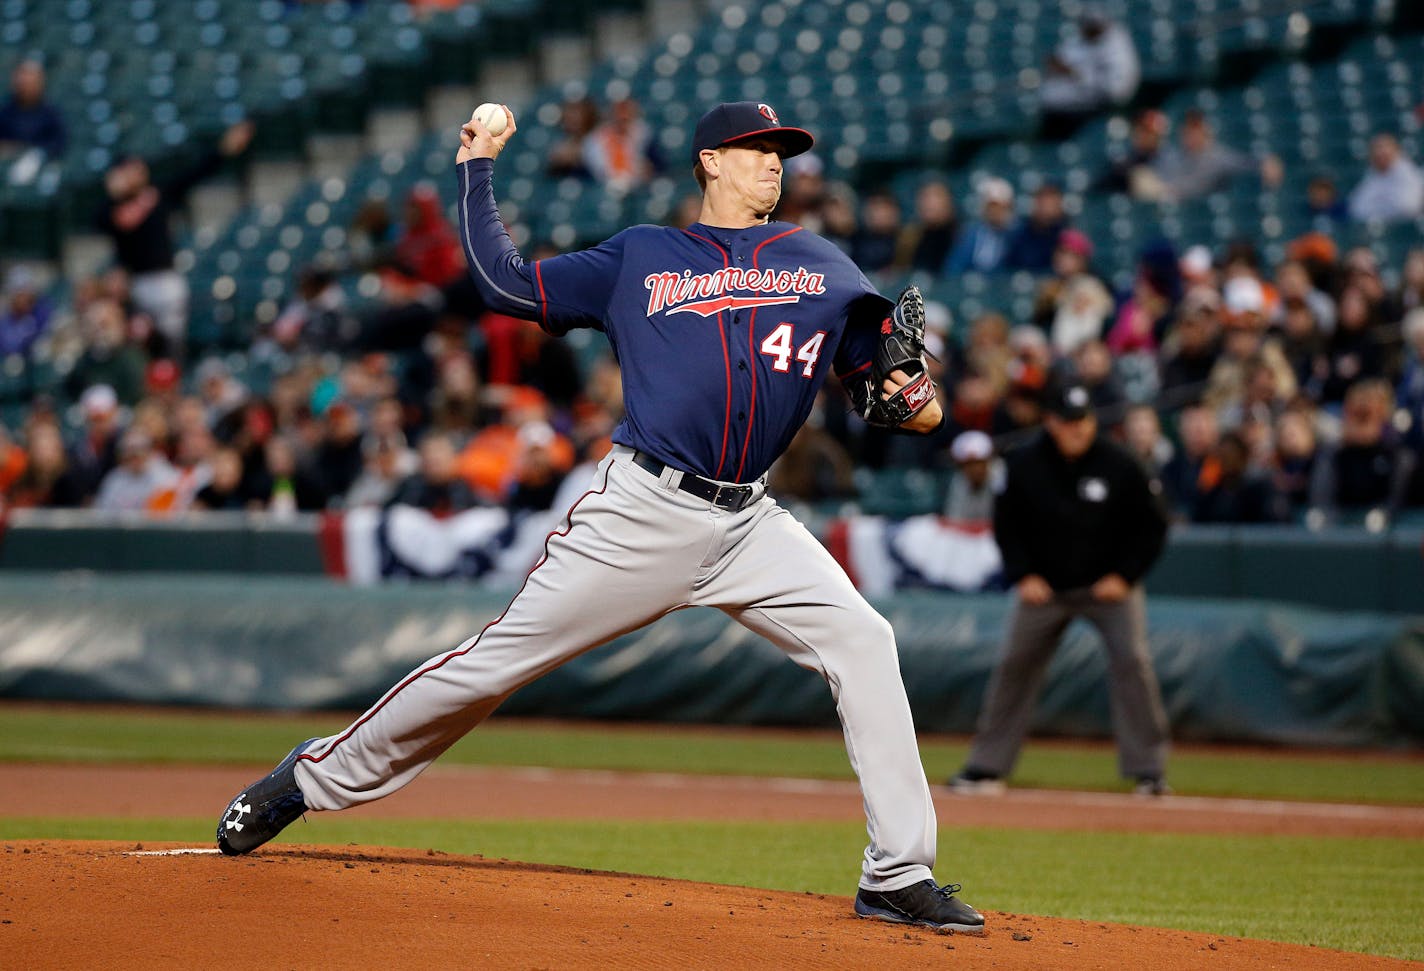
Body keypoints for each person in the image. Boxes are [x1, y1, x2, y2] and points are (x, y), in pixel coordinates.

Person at [215, 100, 983, 934]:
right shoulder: (642, 256)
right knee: (492, 665)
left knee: (864, 640)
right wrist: (477, 168)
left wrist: (914, 400)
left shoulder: (824, 265)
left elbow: (895, 391)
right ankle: (310, 778)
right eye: (755, 148)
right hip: (644, 511)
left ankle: (898, 872)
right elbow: (505, 282)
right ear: (709, 162)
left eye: (782, 151)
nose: (774, 162)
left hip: (752, 520)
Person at [950, 381, 1171, 796]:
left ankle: (1149, 770)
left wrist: (1125, 575)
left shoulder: (1120, 463)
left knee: (1133, 662)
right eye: (1069, 422)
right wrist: (1023, 574)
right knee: (1014, 666)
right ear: (1051, 421)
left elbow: (1152, 527)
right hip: (1045, 588)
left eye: (1083, 421)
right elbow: (1007, 527)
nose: (1078, 430)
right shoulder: (1024, 464)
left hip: (1108, 587)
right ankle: (986, 765)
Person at [96, 120, 255, 355]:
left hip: (165, 280)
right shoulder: (112, 207)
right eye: (129, 170)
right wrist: (114, 196)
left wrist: (223, 149)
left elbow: (194, 174)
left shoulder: (159, 194)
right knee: (139, 342)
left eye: (137, 168)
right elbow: (100, 224)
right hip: (135, 284)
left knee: (171, 343)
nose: (135, 174)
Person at [1038, 7, 1140, 139]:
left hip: (1095, 114)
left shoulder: (1117, 44)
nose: (1087, 27)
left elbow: (1115, 90)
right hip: (1057, 112)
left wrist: (1074, 74)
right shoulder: (1078, 38)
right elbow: (1059, 62)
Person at [1153, 110, 1282, 202]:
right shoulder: (1173, 156)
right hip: (1175, 205)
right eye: (1188, 130)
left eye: (1195, 129)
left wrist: (1264, 163)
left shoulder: (1218, 157)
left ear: (1205, 131)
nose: (1191, 135)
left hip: (1203, 209)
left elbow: (1244, 163)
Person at [944, 177, 1015, 275]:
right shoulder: (971, 234)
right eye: (991, 206)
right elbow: (955, 266)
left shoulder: (1017, 235)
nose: (995, 211)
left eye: (1000, 206)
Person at [1348, 134, 1424, 224]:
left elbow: (1407, 207)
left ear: (1397, 151)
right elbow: (1356, 209)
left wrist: (1377, 208)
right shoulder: (1372, 175)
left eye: (1384, 148)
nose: (1379, 153)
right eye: (1376, 148)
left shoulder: (1408, 174)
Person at [0, 60, 66, 159]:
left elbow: (58, 144)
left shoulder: (51, 115)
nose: (24, 85)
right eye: (22, 81)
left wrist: (33, 151)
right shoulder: (4, 112)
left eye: (30, 80)